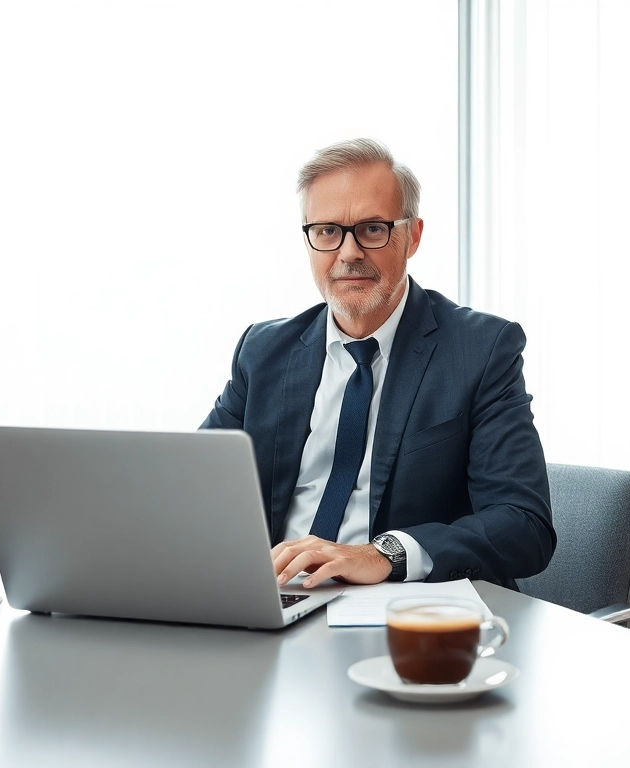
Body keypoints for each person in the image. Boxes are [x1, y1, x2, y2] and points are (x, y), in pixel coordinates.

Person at [201, 138, 554, 589]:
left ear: (413, 236)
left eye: (372, 229)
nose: (348, 253)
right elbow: (193, 489)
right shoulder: (263, 351)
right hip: (277, 598)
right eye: (327, 231)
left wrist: (382, 554)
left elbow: (523, 524)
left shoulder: (481, 350)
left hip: (407, 609)